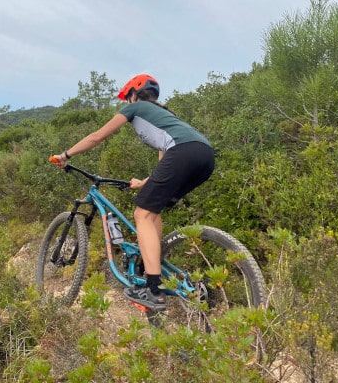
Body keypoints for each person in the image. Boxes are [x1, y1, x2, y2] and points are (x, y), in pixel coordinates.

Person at [51, 74, 215, 311]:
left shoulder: (137, 107)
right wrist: (147, 181)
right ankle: (153, 265)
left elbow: (97, 136)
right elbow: (165, 156)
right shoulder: (166, 115)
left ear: (133, 94)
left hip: (183, 152)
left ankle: (153, 289)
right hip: (204, 156)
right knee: (152, 212)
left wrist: (65, 156)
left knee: (142, 214)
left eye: (127, 97)